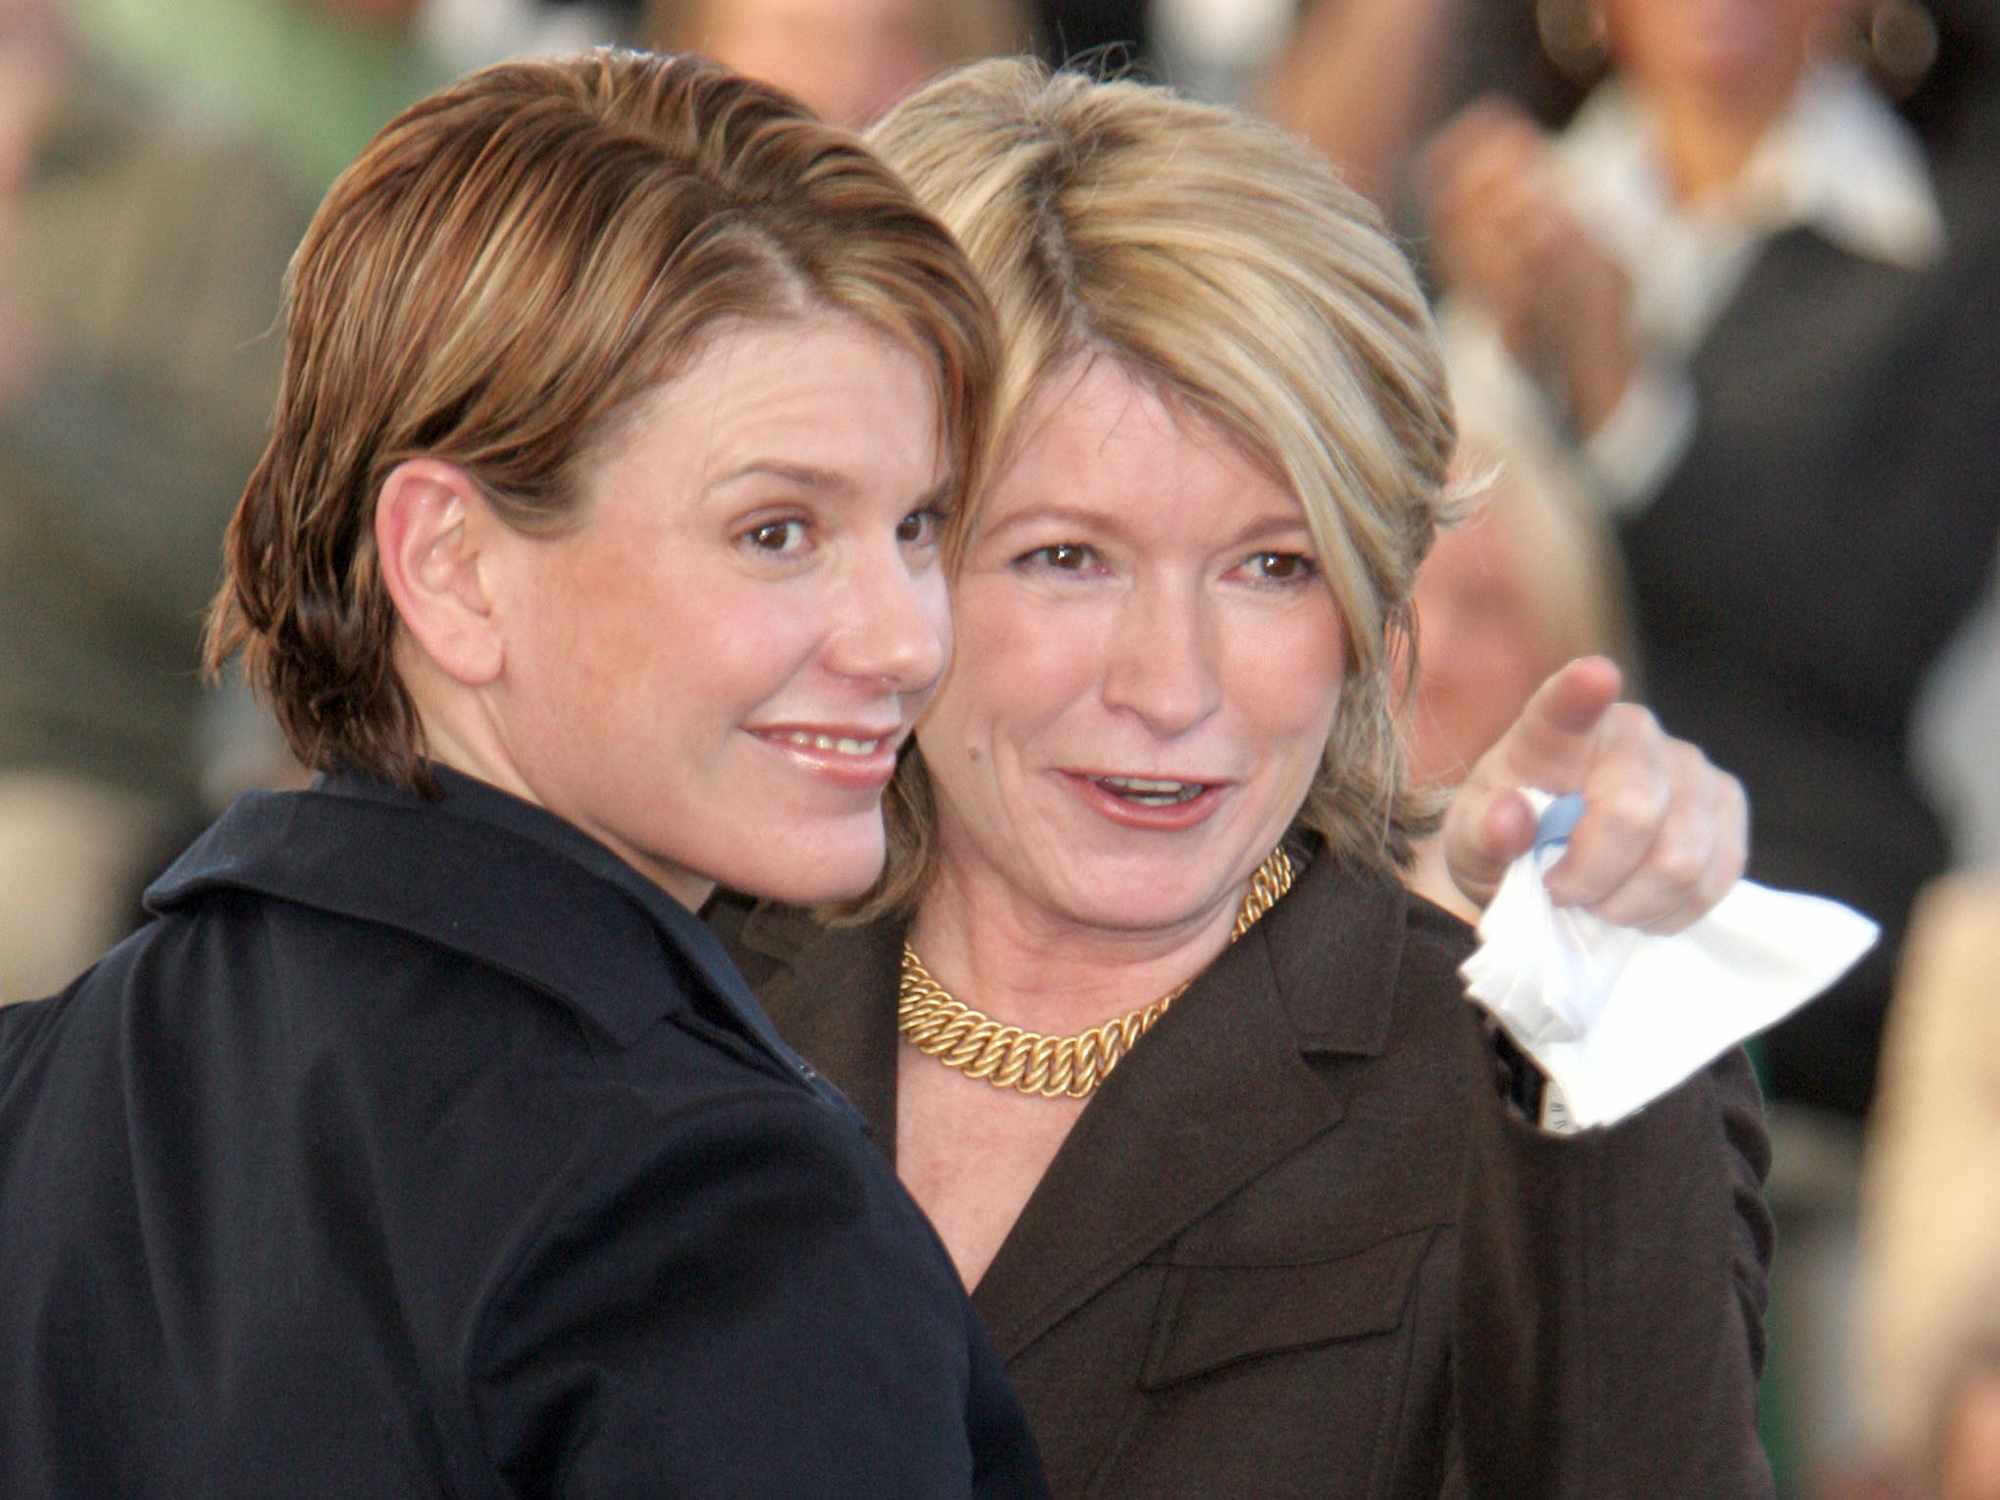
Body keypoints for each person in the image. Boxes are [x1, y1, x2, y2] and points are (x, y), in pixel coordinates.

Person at [716, 57, 1772, 1497]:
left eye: (1272, 567)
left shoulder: (1524, 1090)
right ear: (891, 559)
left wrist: (1594, 974)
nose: (1174, 685)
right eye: (1066, 558)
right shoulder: (678, 984)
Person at [0, 49, 1044, 1496]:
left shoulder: (48, 1088)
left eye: (920, 524)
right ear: (451, 565)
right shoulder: (712, 1215)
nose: (903, 638)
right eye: (778, 532)